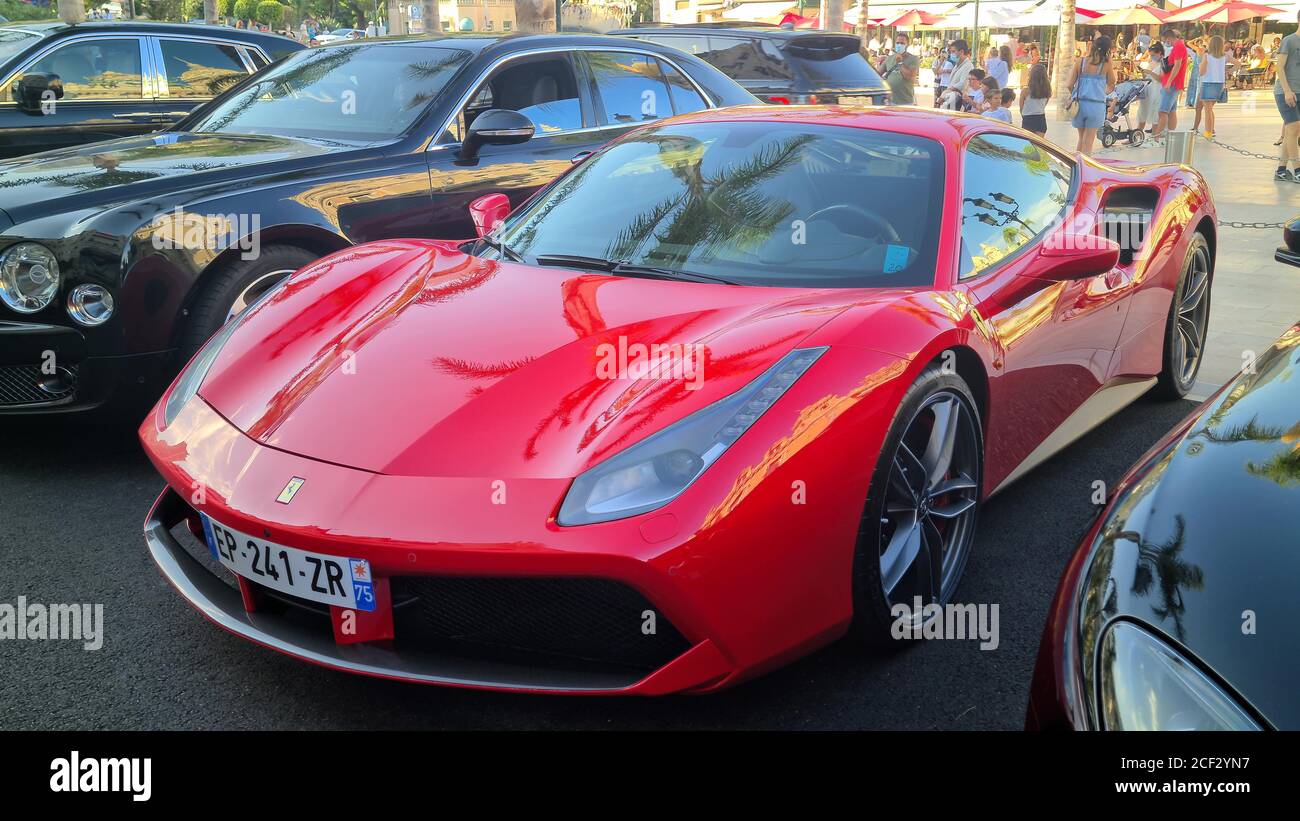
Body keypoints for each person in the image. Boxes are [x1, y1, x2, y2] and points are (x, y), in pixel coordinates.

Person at [1068, 36, 1116, 154]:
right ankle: (1085, 168)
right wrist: (1102, 93)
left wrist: (1075, 94)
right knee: (1088, 141)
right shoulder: (1106, 64)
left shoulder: (1080, 61)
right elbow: (1112, 83)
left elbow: (1069, 84)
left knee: (1081, 138)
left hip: (1080, 104)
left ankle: (1076, 165)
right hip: (1096, 105)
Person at [1275, 11, 1300, 181]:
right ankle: (1298, 170)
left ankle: (1281, 171)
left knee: (1293, 132)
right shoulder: (1289, 40)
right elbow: (1279, 68)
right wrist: (1287, 90)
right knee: (1294, 128)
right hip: (1286, 91)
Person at [1151, 28, 1188, 142]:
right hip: (1173, 83)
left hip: (1172, 84)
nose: (1166, 43)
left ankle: (1156, 138)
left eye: (1166, 40)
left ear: (1169, 38)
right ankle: (1169, 135)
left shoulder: (1178, 47)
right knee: (1171, 111)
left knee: (1163, 111)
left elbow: (1177, 65)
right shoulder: (1179, 47)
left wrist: (1169, 82)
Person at [1196, 36, 1228, 139]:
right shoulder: (1225, 56)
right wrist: (1228, 72)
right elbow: (1238, 64)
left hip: (1208, 82)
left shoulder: (1207, 56)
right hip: (1219, 84)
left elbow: (1201, 72)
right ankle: (1211, 129)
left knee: (1207, 110)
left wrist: (1201, 65)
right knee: (1210, 109)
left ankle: (1208, 132)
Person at [881, 32, 920, 105]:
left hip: (906, 102)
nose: (899, 45)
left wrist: (900, 62)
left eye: (902, 43)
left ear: (907, 45)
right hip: (890, 102)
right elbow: (877, 74)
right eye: (897, 43)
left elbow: (910, 76)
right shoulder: (889, 59)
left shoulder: (913, 59)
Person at [1137, 41, 1165, 135]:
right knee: (1142, 111)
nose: (1152, 56)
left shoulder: (1163, 64)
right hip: (1148, 88)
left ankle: (1154, 134)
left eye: (1153, 54)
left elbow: (1161, 79)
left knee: (1154, 112)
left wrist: (1150, 72)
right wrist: (1143, 73)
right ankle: (1138, 133)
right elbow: (1147, 76)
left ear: (1160, 53)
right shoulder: (1152, 62)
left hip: (1157, 89)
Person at [1019, 62, 1051, 136]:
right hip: (1041, 118)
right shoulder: (1047, 90)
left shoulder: (1025, 91)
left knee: (1028, 145)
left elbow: (1021, 108)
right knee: (1039, 145)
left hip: (1028, 119)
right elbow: (1044, 105)